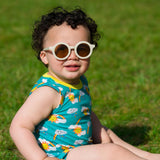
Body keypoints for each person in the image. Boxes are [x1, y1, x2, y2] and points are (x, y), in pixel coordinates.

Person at [9, 7, 160, 160]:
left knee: (107, 134)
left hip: (79, 148)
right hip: (61, 155)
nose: (73, 56)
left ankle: (147, 156)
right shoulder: (48, 92)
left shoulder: (80, 81)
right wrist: (41, 158)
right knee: (112, 152)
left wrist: (99, 132)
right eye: (62, 50)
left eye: (82, 49)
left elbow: (83, 111)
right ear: (45, 56)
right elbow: (19, 127)